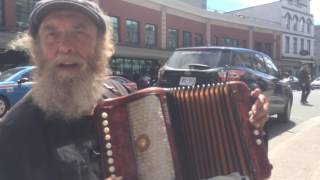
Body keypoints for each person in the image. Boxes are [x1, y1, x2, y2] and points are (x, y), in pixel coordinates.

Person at [0, 0, 269, 180]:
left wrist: (246, 123)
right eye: (52, 33)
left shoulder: (120, 96)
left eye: (79, 31)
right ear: (36, 48)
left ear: (102, 45)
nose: (66, 45)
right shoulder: (14, 134)